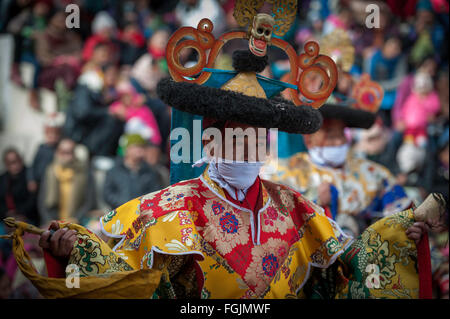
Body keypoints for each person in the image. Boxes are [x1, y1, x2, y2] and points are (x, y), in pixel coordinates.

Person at [36, 21, 438, 300]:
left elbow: (349, 265)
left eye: (259, 138)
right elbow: (121, 272)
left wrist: (398, 235)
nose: (248, 148)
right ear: (210, 143)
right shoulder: (166, 209)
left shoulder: (295, 207)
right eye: (235, 136)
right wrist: (78, 250)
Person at [264, 96, 413, 236]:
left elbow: (402, 214)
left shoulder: (373, 172)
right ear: (308, 139)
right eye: (330, 136)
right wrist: (314, 201)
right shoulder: (284, 173)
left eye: (341, 134)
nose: (339, 142)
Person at [38, 138, 95, 226]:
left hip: (77, 222)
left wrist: (76, 219)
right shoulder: (50, 172)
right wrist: (50, 220)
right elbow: (42, 201)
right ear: (57, 152)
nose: (66, 156)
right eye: (63, 152)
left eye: (69, 152)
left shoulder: (84, 172)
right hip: (53, 221)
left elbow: (89, 201)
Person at [103, 134, 164, 209]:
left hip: (142, 213)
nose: (139, 150)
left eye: (142, 147)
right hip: (119, 212)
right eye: (136, 146)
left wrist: (140, 205)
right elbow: (108, 194)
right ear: (126, 149)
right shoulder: (114, 171)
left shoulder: (150, 172)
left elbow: (155, 193)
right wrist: (124, 205)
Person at [0, 148, 38, 225]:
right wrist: (8, 214)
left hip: (27, 218)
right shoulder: (3, 178)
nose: (15, 165)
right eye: (10, 163)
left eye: (17, 161)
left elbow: (33, 200)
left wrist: (19, 213)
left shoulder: (30, 176)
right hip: (6, 218)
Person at [28, 113, 63, 194]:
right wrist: (31, 179)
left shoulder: (60, 148)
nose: (53, 137)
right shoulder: (41, 148)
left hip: (53, 183)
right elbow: (32, 165)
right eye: (50, 134)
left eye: (56, 134)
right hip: (39, 182)